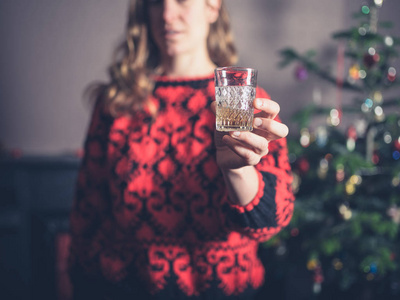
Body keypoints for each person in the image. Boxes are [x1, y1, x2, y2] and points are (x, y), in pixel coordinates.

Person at [68, 0, 295, 299]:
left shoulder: (244, 102)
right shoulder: (116, 103)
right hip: (122, 288)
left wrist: (237, 170)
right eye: (155, 3)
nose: (166, 14)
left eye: (181, 1)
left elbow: (269, 224)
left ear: (212, 8)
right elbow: (87, 213)